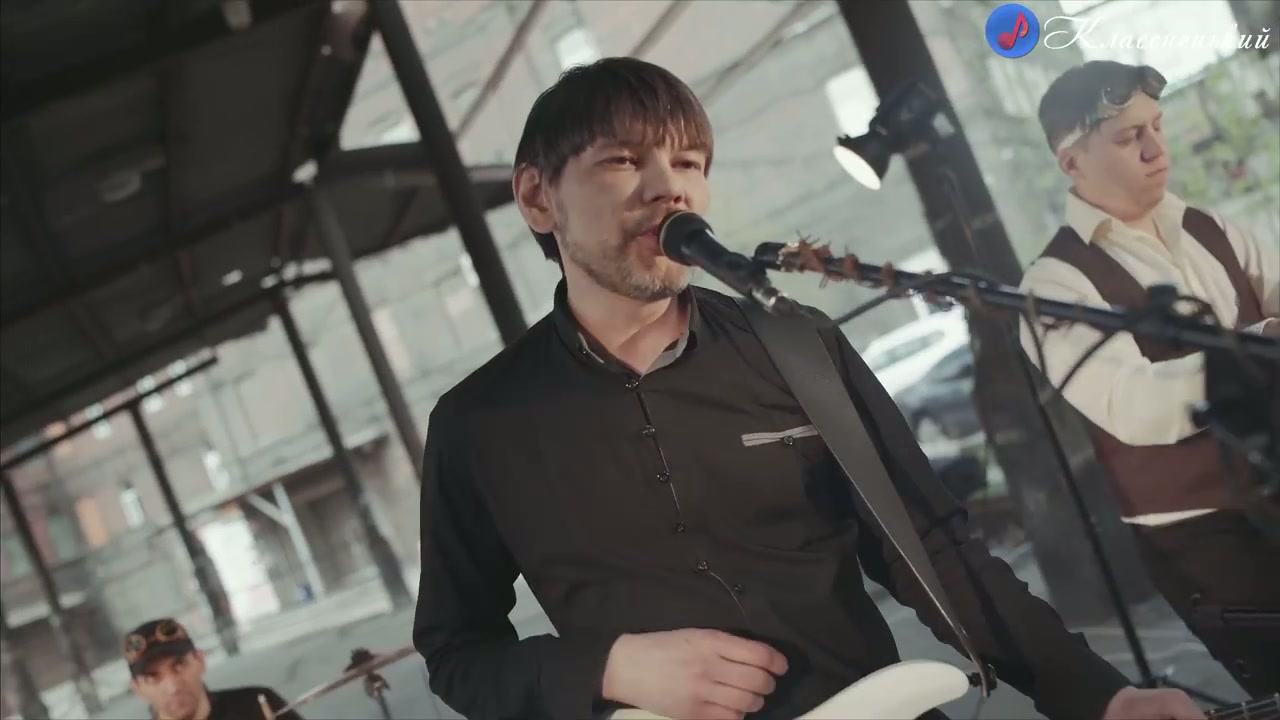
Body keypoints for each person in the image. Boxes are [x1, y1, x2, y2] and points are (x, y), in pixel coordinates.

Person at [413, 57, 1205, 720]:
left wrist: (1102, 697)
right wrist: (608, 668)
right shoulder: (477, 425)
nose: (668, 188)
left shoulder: (796, 345)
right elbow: (456, 652)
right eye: (623, 161)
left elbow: (932, 549)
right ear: (537, 196)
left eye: (688, 163)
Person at [1020, 60, 1280, 696]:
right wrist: (1257, 346)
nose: (1155, 147)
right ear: (1071, 161)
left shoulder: (1214, 228)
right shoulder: (1052, 283)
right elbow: (1134, 406)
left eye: (1157, 126)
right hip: (1205, 535)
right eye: (1127, 136)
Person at [124, 618, 302, 720]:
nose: (173, 686)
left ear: (200, 661)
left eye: (179, 666)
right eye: (152, 678)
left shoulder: (258, 705)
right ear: (138, 689)